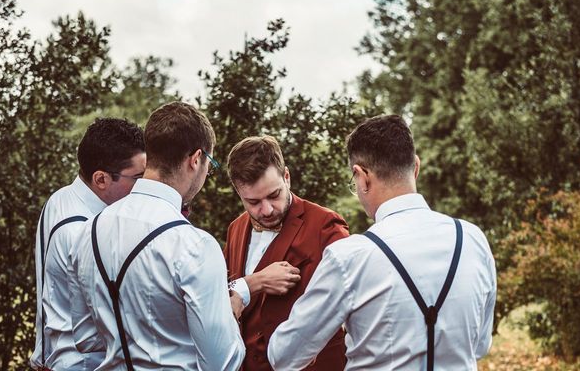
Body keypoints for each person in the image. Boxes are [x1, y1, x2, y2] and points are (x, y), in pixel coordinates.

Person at [268, 115, 497, 370]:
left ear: (362, 176)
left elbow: (283, 355)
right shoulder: (472, 238)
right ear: (416, 167)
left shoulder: (349, 257)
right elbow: (480, 345)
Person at [69, 101, 245, 370]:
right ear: (196, 159)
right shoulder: (195, 246)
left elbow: (84, 339)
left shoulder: (87, 231)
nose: (207, 172)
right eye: (210, 163)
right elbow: (221, 361)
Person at [224, 136, 349, 371]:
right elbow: (221, 293)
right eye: (253, 202)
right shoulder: (236, 229)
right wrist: (253, 283)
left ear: (287, 177)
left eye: (274, 195)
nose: (267, 209)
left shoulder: (325, 225)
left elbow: (350, 295)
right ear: (238, 193)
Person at [30, 117, 146, 370]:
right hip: (83, 363)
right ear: (101, 179)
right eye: (138, 177)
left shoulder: (61, 198)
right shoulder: (83, 232)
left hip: (56, 356)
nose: (145, 186)